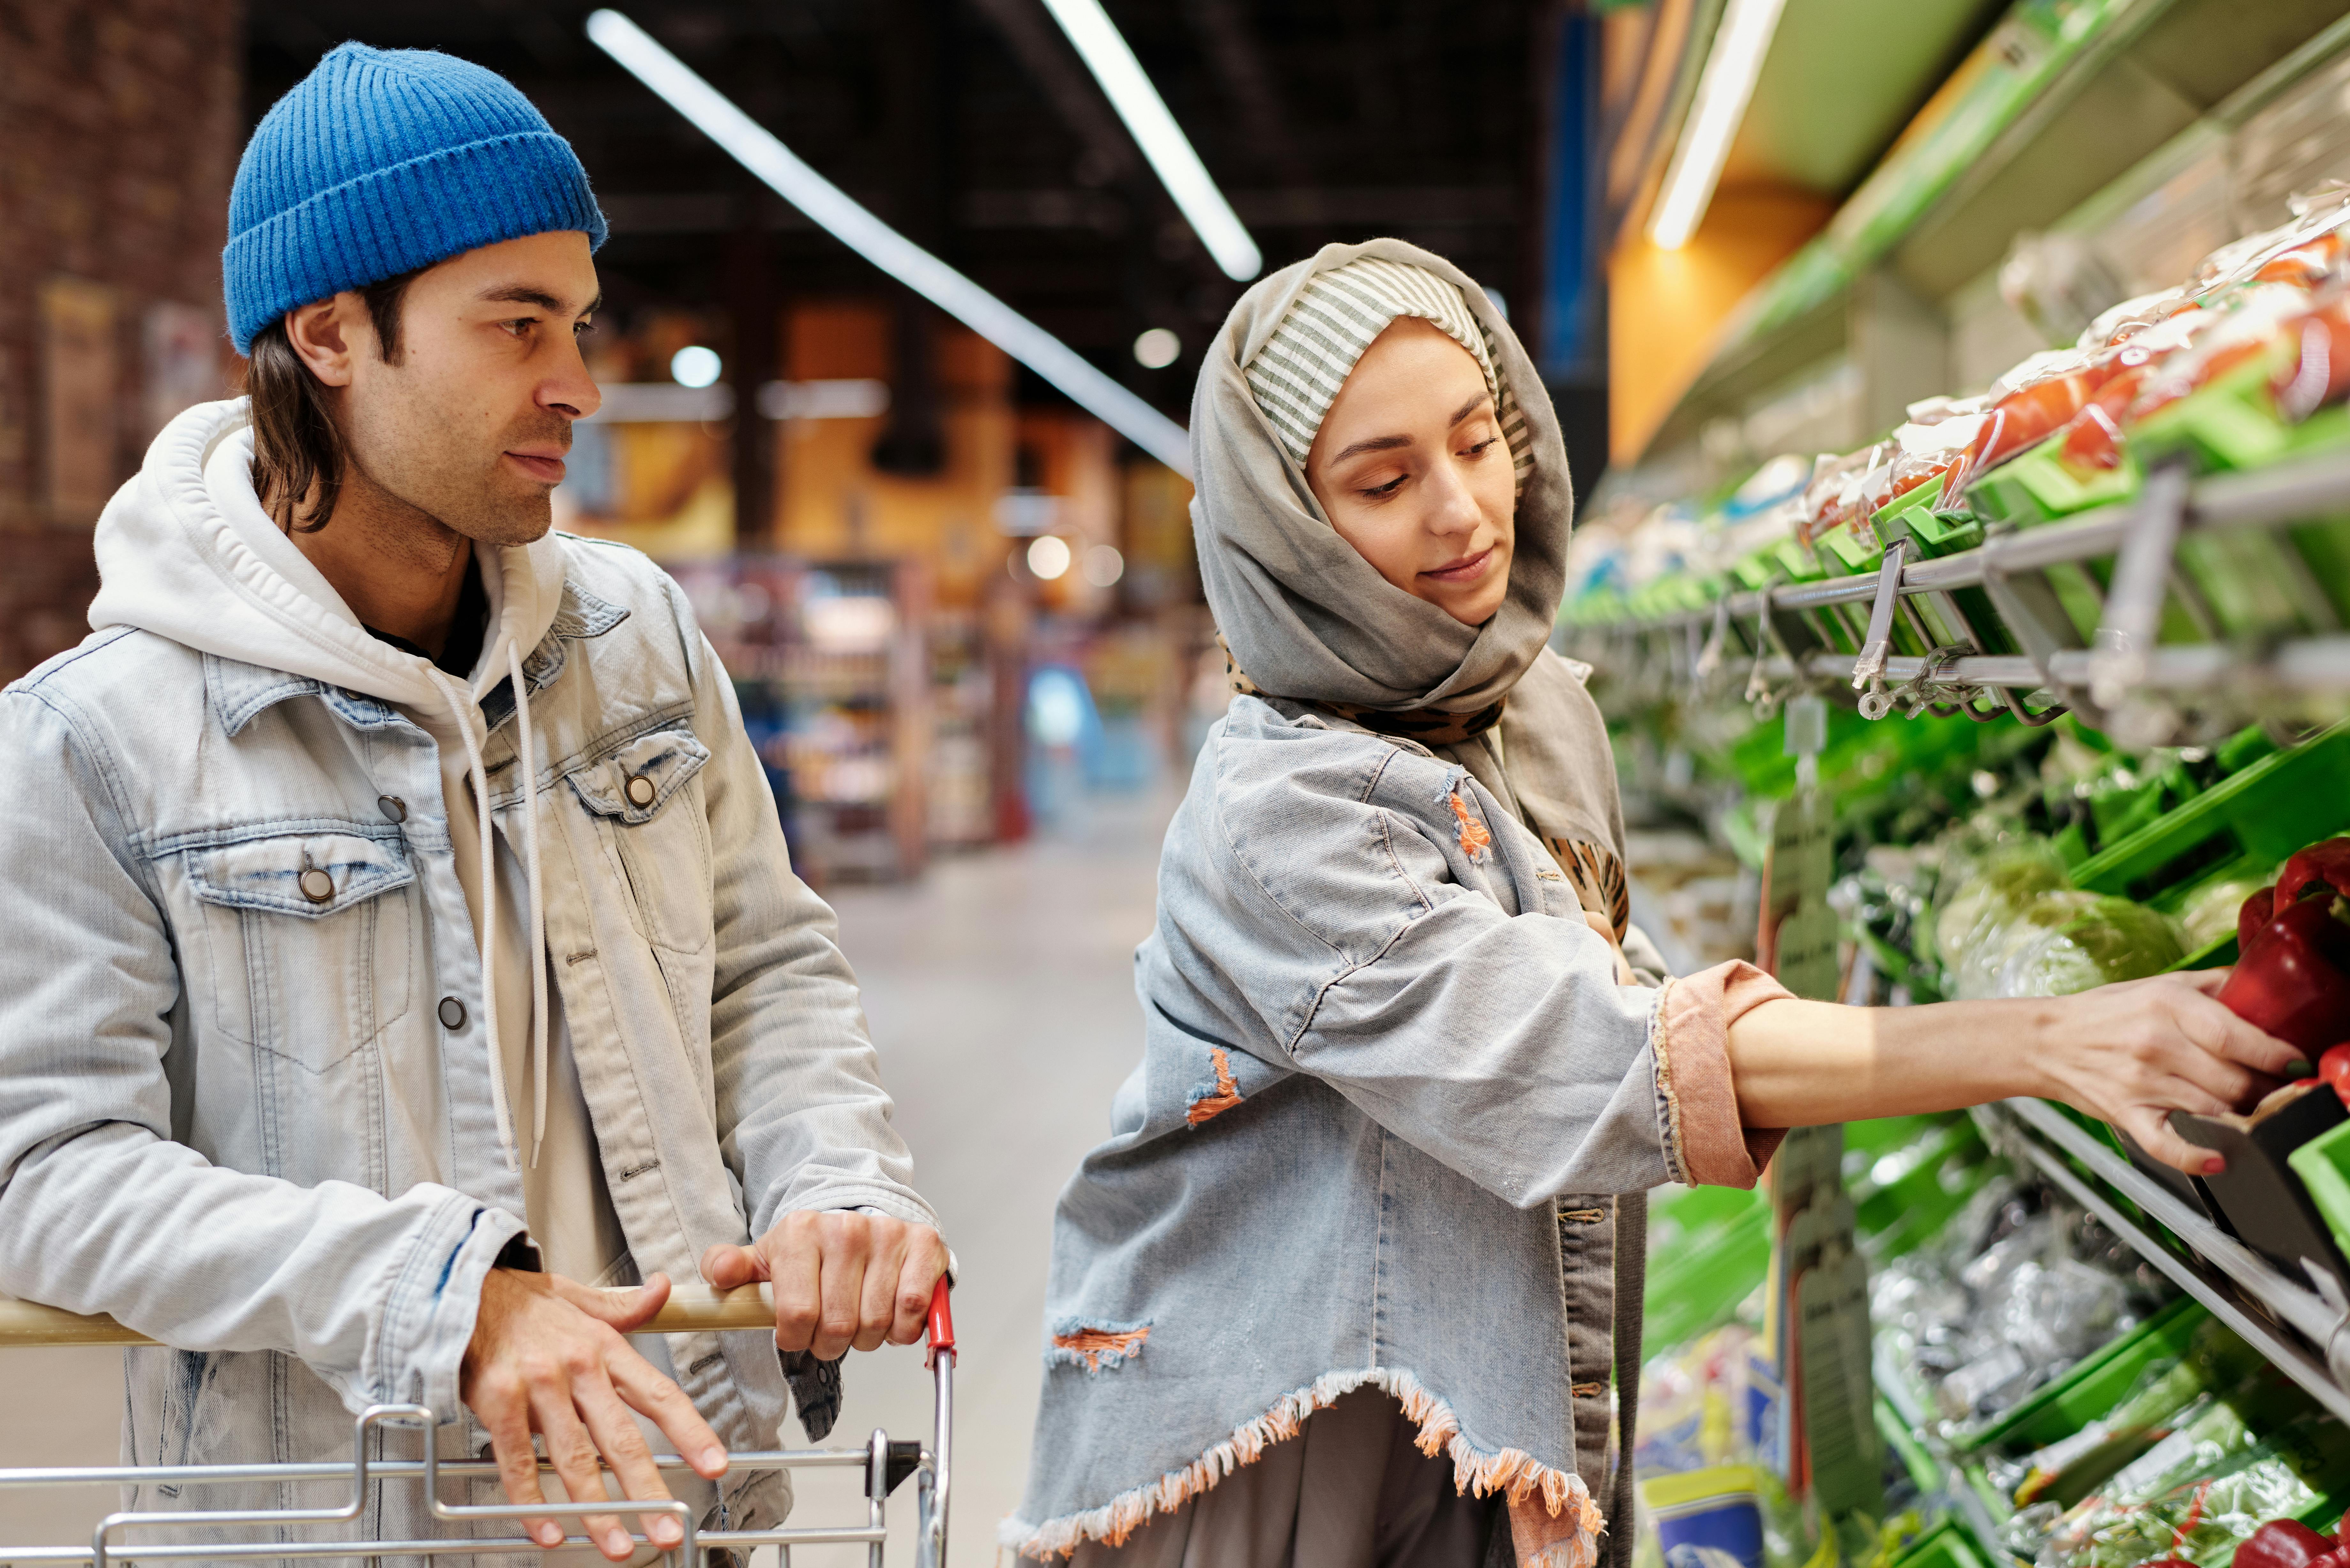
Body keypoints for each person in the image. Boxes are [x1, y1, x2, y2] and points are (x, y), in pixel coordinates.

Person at [1002, 240, 2297, 1568]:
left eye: (1477, 439)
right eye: (1384, 482)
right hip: (1269, 1443)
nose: (1461, 510)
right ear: (1287, 529)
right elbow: (1587, 1055)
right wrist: (2043, 1040)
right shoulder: (1276, 816)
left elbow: (1624, 995)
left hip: (1466, 1408)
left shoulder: (1530, 709)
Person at [0, 42, 946, 1563]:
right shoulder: (94, 741)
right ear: (329, 334)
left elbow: (766, 972)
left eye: (576, 322)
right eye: (516, 326)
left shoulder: (636, 643)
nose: (576, 382)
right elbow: (43, 1178)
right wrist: (452, 1297)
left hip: (676, 1503)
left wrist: (831, 1173)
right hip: (332, 1526)